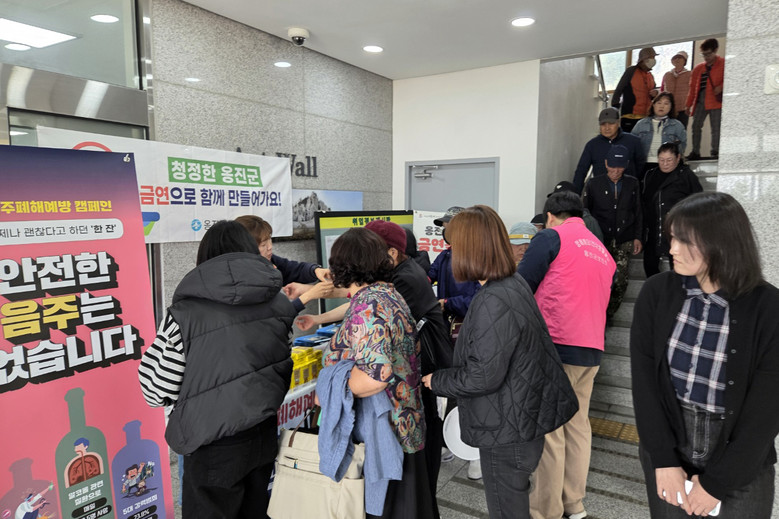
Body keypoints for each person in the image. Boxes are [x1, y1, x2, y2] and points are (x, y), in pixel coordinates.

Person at [421, 205, 578, 519]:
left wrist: (435, 380)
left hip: (507, 430)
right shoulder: (510, 283)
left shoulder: (494, 298)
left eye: (456, 245)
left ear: (471, 249)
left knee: (507, 510)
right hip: (518, 418)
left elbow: (483, 375)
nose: (451, 252)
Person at [631, 192, 779, 518]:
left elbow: (767, 408)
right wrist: (663, 459)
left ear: (721, 243)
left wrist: (717, 483)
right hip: (671, 446)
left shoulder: (768, 307)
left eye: (684, 241)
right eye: (672, 238)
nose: (672, 249)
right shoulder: (656, 293)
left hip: (741, 459)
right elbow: (644, 381)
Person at [138, 220, 296, 518]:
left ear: (204, 258)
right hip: (262, 434)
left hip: (212, 443)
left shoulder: (185, 315)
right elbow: (283, 357)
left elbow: (155, 390)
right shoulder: (280, 305)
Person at [297, 220, 451, 518]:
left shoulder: (369, 306)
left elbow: (374, 377)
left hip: (385, 432)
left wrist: (327, 390)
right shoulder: (387, 293)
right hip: (404, 421)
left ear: (343, 265)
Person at [518, 192, 616, 519]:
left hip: (557, 345)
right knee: (577, 426)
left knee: (549, 430)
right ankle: (574, 504)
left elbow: (520, 285)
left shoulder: (551, 237)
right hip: (591, 349)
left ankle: (545, 511)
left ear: (550, 216)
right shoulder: (602, 250)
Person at [582, 145, 642, 322]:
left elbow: (638, 211)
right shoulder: (593, 184)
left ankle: (608, 314)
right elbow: (585, 213)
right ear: (606, 163)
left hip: (625, 238)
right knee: (599, 279)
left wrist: (638, 237)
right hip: (600, 239)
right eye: (613, 166)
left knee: (620, 281)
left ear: (626, 165)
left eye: (620, 167)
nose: (616, 171)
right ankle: (597, 313)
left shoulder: (632, 183)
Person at [236, 214, 332, 311]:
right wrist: (308, 296)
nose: (270, 247)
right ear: (246, 248)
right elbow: (272, 315)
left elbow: (294, 269)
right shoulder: (239, 280)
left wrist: (315, 270)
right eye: (263, 245)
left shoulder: (269, 261)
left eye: (270, 239)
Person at [642, 142, 703, 278]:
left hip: (677, 231)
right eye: (661, 160)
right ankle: (656, 290)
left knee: (678, 268)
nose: (665, 164)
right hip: (653, 230)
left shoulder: (686, 175)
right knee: (649, 265)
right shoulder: (650, 175)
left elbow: (699, 202)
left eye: (669, 160)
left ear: (678, 158)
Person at [572, 107, 644, 193]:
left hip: (627, 193)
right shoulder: (592, 145)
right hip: (600, 193)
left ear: (618, 122)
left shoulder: (633, 142)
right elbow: (581, 171)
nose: (607, 128)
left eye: (611, 123)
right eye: (603, 124)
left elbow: (640, 167)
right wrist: (575, 196)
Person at [631, 92, 688, 179]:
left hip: (667, 165)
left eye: (666, 103)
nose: (662, 106)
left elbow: (682, 146)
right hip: (644, 164)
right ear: (653, 105)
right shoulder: (641, 124)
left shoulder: (677, 125)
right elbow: (632, 144)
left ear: (671, 107)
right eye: (659, 103)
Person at [685, 38, 725, 160]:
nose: (706, 57)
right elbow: (692, 88)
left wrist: (721, 87)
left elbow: (731, 79)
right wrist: (688, 105)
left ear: (715, 50)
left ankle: (716, 152)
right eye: (703, 54)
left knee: (716, 128)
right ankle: (695, 151)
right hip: (700, 101)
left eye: (708, 54)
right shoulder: (698, 68)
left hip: (716, 102)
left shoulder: (724, 64)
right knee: (695, 126)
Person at [612, 47, 659, 133]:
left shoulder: (650, 76)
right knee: (628, 140)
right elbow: (619, 88)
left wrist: (655, 93)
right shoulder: (631, 71)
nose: (653, 60)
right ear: (644, 59)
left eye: (654, 57)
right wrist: (615, 107)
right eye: (651, 57)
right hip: (629, 116)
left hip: (645, 117)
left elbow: (653, 93)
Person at [661, 50, 691, 128]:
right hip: (669, 108)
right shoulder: (667, 74)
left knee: (681, 130)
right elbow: (662, 90)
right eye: (675, 58)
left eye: (680, 58)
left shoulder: (690, 74)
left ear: (685, 61)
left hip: (683, 109)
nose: (677, 60)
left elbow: (693, 91)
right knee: (667, 130)